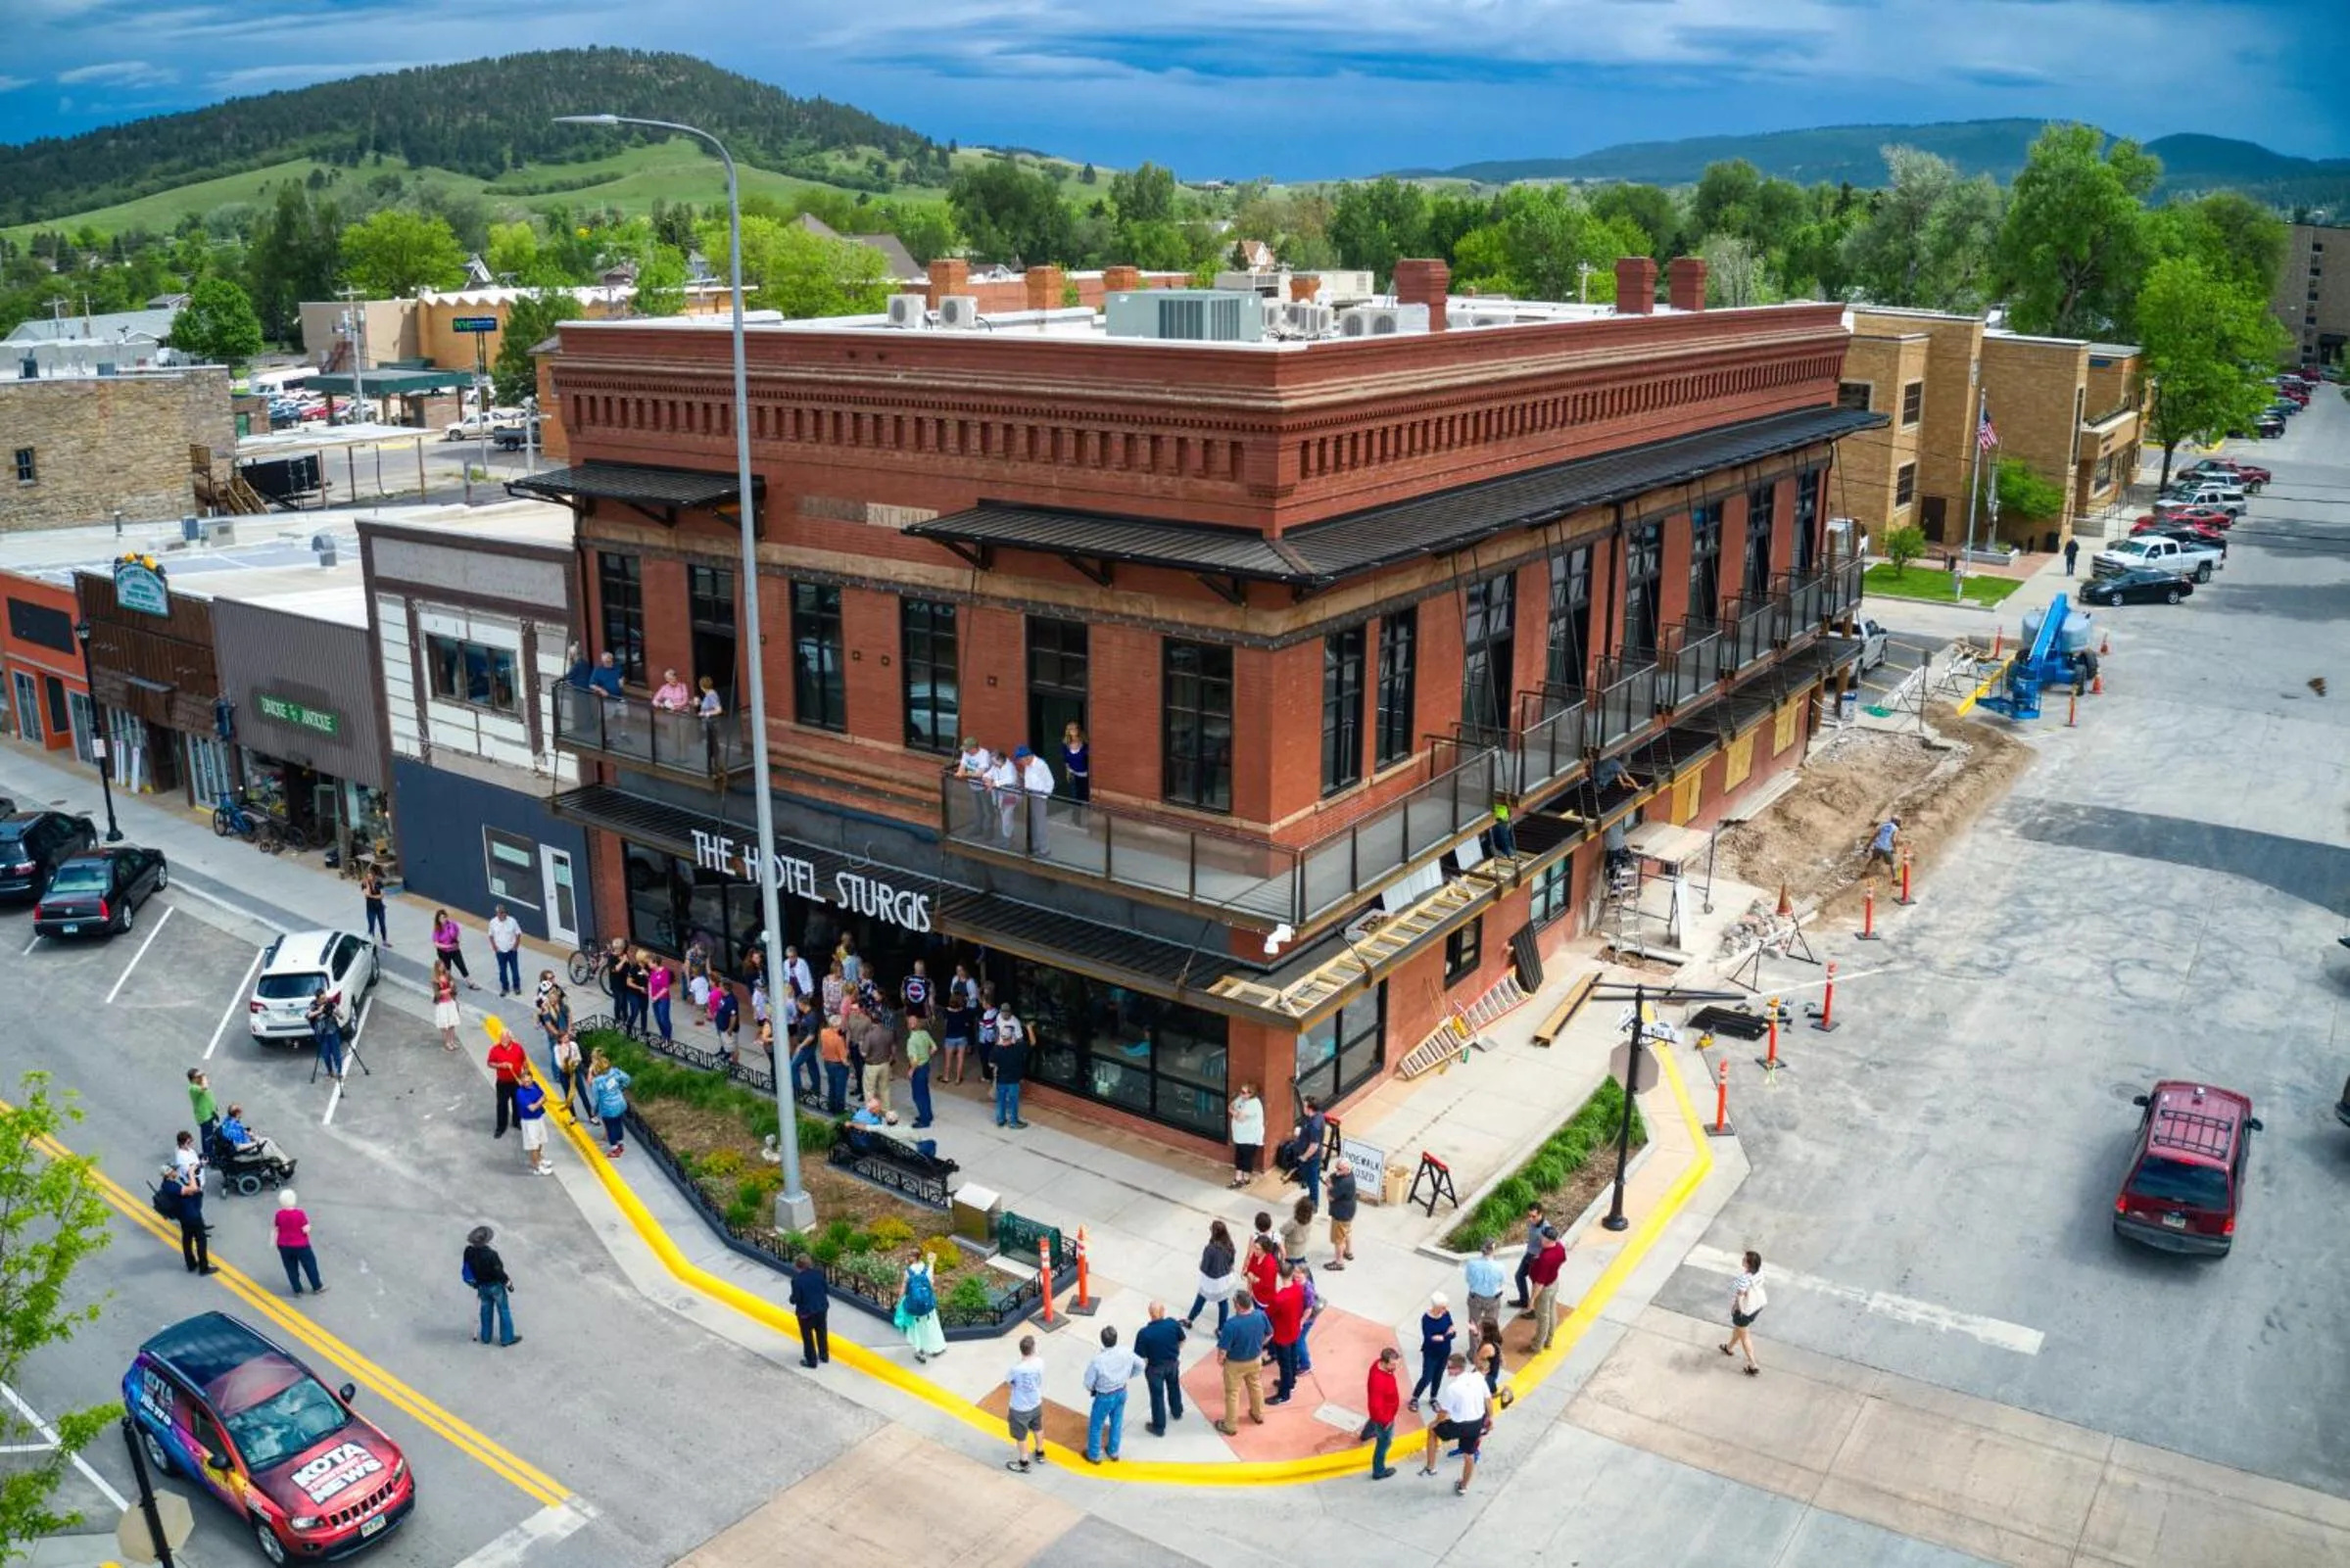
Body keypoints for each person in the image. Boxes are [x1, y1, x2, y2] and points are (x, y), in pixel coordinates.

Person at [1422, 1353, 1493, 1495]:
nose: (1447, 1370)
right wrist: (1490, 1419)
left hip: (1458, 1425)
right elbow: (1488, 1400)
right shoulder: (1478, 1378)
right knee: (1469, 1454)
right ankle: (1463, 1486)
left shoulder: (1453, 1388)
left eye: (1449, 1368)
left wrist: (1435, 1423)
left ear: (1457, 1369)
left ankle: (1431, 1467)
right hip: (1476, 1424)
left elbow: (1443, 1412)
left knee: (1431, 1431)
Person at [1081, 1324, 1143, 1462]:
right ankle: (1113, 1451)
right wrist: (1129, 1375)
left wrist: (1094, 1388)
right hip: (1121, 1392)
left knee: (1096, 1425)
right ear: (1116, 1338)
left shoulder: (1098, 1361)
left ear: (1102, 1340)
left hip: (1104, 1397)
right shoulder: (1126, 1352)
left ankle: (1093, 1454)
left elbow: (1088, 1383)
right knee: (1117, 1422)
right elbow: (1141, 1365)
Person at [1214, 1289, 1269, 1435]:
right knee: (1256, 1386)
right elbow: (1270, 1334)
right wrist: (1259, 1345)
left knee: (1232, 1393)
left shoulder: (1231, 1325)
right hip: (1255, 1359)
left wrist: (1220, 1360)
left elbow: (1223, 1350)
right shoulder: (1260, 1315)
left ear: (1238, 1305)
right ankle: (1258, 1414)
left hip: (1235, 1364)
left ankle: (1230, 1425)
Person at [1135, 1303, 1185, 1436]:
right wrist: (1174, 1353)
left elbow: (1141, 1356)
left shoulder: (1144, 1333)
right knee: (1174, 1387)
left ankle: (1159, 1427)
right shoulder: (1172, 1324)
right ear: (1163, 1311)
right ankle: (1177, 1411)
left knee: (1157, 1397)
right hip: (1172, 1364)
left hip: (1155, 1369)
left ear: (1150, 1313)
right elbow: (1182, 1340)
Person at [464, 1225, 519, 1347]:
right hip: (495, 1287)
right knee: (503, 1311)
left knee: (485, 1311)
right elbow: (499, 1272)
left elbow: (468, 1269)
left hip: (481, 1286)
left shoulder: (468, 1252)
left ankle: (486, 1337)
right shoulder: (491, 1254)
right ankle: (507, 1338)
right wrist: (508, 1283)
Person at [1264, 1263, 1307, 1405]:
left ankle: (1284, 1394)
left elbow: (1268, 1313)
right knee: (1292, 1358)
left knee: (1284, 1364)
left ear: (1279, 1275)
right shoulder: (1298, 1288)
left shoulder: (1280, 1297)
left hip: (1282, 1334)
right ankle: (1290, 1382)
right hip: (1294, 1329)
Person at [1003, 1335, 1047, 1472]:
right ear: (1033, 1349)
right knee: (1038, 1427)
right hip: (1035, 1403)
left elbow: (1008, 1381)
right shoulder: (1040, 1362)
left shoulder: (1016, 1369)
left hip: (1019, 1407)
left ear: (1021, 1350)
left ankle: (1024, 1462)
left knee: (1021, 1436)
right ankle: (1040, 1452)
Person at [1722, 1249, 1767, 1375]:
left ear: (1748, 1264)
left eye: (1744, 1259)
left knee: (1745, 1336)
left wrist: (1736, 1308)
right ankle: (1728, 1347)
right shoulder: (1760, 1272)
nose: (1742, 1260)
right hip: (1756, 1307)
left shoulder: (1744, 1278)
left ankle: (1753, 1365)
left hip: (1744, 1312)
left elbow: (1740, 1296)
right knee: (1739, 1330)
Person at [1186, 1219, 1236, 1330]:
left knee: (1200, 1299)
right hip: (1225, 1279)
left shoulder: (1210, 1249)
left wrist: (1200, 1264)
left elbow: (1204, 1268)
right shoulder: (1229, 1244)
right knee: (1223, 1302)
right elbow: (1231, 1261)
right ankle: (1221, 1329)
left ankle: (1189, 1320)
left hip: (1211, 1281)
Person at [1411, 1292, 1457, 1412]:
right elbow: (1429, 1339)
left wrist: (1443, 1337)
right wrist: (1447, 1334)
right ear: (1435, 1307)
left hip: (1444, 1352)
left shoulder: (1446, 1314)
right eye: (1443, 1307)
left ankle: (1433, 1398)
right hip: (1431, 1353)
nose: (1446, 1309)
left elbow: (1453, 1333)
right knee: (1427, 1377)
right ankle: (1415, 1397)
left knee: (1438, 1376)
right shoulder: (1426, 1319)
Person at [896, 1255, 946, 1364]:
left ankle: (920, 1352)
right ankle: (935, 1348)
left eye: (909, 1256)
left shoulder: (908, 1272)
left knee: (917, 1329)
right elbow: (931, 1285)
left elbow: (904, 1289)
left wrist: (899, 1300)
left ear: (913, 1258)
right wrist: (932, 1263)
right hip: (927, 1306)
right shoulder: (927, 1269)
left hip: (914, 1307)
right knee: (930, 1325)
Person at [1526, 1224, 1567, 1354]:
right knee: (1552, 1312)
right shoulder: (1559, 1247)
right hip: (1554, 1283)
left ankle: (1537, 1345)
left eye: (1542, 1237)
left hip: (1543, 1290)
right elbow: (1562, 1259)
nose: (1540, 1238)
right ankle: (1549, 1340)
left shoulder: (1546, 1259)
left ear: (1548, 1240)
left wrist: (1532, 1299)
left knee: (1543, 1318)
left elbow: (1539, 1283)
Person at [274, 1189, 323, 1295]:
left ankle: (297, 1290)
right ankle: (317, 1286)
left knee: (291, 1268)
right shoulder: (299, 1214)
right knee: (310, 1265)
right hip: (301, 1245)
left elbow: (277, 1228)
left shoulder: (279, 1214)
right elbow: (305, 1229)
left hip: (284, 1245)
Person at [1366, 1347, 1404, 1479]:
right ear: (1384, 1362)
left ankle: (1366, 1434)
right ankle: (1379, 1471)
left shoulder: (1379, 1365)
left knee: (1373, 1421)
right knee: (1384, 1443)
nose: (1394, 1368)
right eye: (1392, 1365)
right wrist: (1386, 1421)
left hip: (1380, 1414)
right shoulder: (1379, 1381)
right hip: (1385, 1417)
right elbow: (1376, 1406)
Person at [172, 1158, 215, 1274]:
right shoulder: (172, 1186)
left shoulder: (169, 1184)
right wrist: (191, 1173)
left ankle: (191, 1264)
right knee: (201, 1240)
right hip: (192, 1215)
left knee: (187, 1240)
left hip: (184, 1215)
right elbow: (194, 1188)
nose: (176, 1172)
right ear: (169, 1174)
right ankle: (204, 1267)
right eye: (174, 1170)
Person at [856, 1004, 897, 1121]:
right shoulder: (889, 1032)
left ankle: (872, 1112)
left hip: (872, 1066)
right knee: (885, 1089)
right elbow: (893, 1048)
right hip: (885, 1064)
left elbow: (864, 1054)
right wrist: (892, 1058)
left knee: (869, 1090)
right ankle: (885, 1110)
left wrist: (860, 1044)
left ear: (871, 1020)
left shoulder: (869, 1035)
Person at [486, 1023, 528, 1139]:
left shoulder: (518, 1048)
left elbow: (524, 1061)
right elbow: (489, 1063)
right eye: (501, 1037)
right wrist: (501, 1065)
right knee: (501, 1105)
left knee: (517, 1103)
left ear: (510, 1038)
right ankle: (501, 1127)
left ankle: (516, 1122)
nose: (503, 1040)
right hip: (503, 1083)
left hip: (516, 1081)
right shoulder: (495, 1049)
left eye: (505, 1037)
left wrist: (525, 1075)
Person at [790, 1252, 831, 1368]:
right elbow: (826, 1290)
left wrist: (791, 1299)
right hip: (821, 1308)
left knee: (807, 1337)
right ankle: (824, 1355)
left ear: (797, 1266)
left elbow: (796, 1298)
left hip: (806, 1313)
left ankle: (811, 1360)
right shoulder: (818, 1274)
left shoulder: (797, 1280)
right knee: (822, 1332)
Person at [589, 1050, 631, 1158]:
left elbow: (597, 1099)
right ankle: (620, 1144)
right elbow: (627, 1079)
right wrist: (620, 1088)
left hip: (608, 1108)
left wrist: (595, 1111)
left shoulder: (597, 1082)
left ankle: (615, 1149)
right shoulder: (614, 1072)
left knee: (610, 1127)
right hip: (620, 1104)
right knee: (618, 1123)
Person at [992, 1006, 1029, 1128]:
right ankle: (1013, 1122)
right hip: (1013, 1080)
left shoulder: (997, 1050)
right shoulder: (1017, 1049)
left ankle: (1000, 1120)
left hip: (1001, 1080)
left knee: (1001, 1101)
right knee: (1013, 1102)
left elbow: (991, 1063)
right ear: (1011, 1036)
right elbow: (1032, 1043)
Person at [941, 965, 978, 1085]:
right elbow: (967, 1023)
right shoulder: (964, 1011)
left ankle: (946, 1077)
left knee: (948, 1059)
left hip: (950, 1037)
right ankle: (958, 1079)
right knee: (960, 1058)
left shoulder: (946, 1011)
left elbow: (945, 1023)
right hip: (962, 1037)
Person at [1290, 1095, 1328, 1209]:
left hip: (1311, 1158)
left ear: (1310, 1108)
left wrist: (1304, 1157)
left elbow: (1314, 1145)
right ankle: (1310, 1195)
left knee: (1313, 1182)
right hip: (1307, 1154)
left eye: (1304, 1105)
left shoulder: (1314, 1125)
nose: (1303, 1107)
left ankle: (1314, 1205)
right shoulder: (1317, 1115)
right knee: (1310, 1178)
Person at [1017, 745, 1056, 851]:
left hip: (1039, 798)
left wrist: (1043, 797)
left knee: (1040, 823)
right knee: (1032, 822)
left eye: (1021, 761)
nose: (1021, 763)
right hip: (1029, 796)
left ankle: (1044, 849)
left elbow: (1050, 782)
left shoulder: (1041, 765)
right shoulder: (1028, 764)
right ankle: (1034, 845)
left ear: (1027, 757)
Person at [218, 1105, 286, 1164]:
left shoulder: (228, 1121)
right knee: (268, 1142)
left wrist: (246, 1133)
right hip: (246, 1149)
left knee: (267, 1140)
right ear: (237, 1114)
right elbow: (238, 1146)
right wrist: (255, 1143)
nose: (241, 1115)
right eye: (240, 1113)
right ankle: (285, 1162)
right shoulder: (233, 1128)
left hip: (245, 1142)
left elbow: (238, 1131)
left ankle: (282, 1160)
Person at [1227, 1082, 1265, 1188]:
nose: (1241, 1094)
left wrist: (1234, 1113)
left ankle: (1246, 1179)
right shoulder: (1241, 1098)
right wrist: (1236, 1112)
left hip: (1250, 1138)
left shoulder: (1253, 1103)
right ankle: (1238, 1178)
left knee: (1247, 1159)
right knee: (1238, 1157)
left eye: (1244, 1092)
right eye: (1241, 1091)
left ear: (1251, 1093)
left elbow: (1240, 1118)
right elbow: (1230, 1106)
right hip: (1239, 1136)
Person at [1511, 1206, 1548, 1309]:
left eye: (1533, 1216)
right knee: (1519, 1276)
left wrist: (1540, 1256)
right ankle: (1524, 1300)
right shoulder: (1533, 1223)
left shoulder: (1546, 1228)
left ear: (1540, 1214)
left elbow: (1551, 1246)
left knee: (1535, 1285)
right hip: (1529, 1254)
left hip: (1537, 1259)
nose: (1531, 1219)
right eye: (1529, 1216)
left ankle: (1535, 1309)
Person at [905, 1014, 936, 1129]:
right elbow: (934, 1048)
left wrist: (911, 1071)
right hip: (926, 1065)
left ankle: (924, 1120)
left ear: (909, 1025)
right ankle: (928, 1115)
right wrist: (926, 1056)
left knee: (918, 1095)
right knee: (925, 1092)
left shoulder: (911, 1040)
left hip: (918, 1069)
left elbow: (914, 1060)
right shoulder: (925, 1033)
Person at [515, 1074, 552, 1175]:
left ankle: (539, 1159)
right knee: (534, 1145)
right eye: (525, 1082)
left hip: (539, 1118)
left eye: (529, 1081)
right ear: (521, 1081)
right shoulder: (520, 1093)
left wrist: (539, 1102)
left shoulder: (535, 1084)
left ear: (532, 1080)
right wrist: (540, 1101)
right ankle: (537, 1167)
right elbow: (532, 1108)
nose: (527, 1084)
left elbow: (544, 1096)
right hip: (529, 1122)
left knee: (540, 1140)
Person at [432, 911, 477, 989]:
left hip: (455, 950)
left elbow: (458, 933)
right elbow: (436, 944)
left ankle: (470, 983)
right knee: (447, 969)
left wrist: (459, 941)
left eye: (444, 917)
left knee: (461, 965)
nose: (443, 919)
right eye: (441, 918)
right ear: (438, 919)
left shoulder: (452, 924)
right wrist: (447, 946)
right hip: (443, 952)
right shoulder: (437, 929)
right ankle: (446, 984)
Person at [1326, 1158, 1358, 1269]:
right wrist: (1331, 1179)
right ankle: (1348, 1252)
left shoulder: (1345, 1183)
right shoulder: (1348, 1174)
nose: (1337, 1171)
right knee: (1346, 1232)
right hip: (1348, 1211)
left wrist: (1329, 1186)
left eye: (1339, 1169)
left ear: (1347, 1169)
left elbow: (1330, 1197)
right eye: (1336, 1168)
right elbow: (1333, 1176)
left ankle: (1339, 1262)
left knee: (1338, 1239)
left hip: (1341, 1214)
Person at [818, 1014, 851, 1116]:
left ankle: (831, 1106)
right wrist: (848, 1064)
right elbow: (843, 1058)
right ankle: (839, 1111)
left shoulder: (823, 1032)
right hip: (838, 1065)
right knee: (840, 1089)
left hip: (827, 1063)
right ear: (838, 1025)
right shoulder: (838, 1039)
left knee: (832, 1086)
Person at [487, 903, 523, 997]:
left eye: (504, 912)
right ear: (497, 913)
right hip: (500, 951)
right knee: (502, 971)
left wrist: (515, 946)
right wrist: (494, 947)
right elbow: (490, 935)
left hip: (511, 950)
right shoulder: (492, 922)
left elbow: (518, 933)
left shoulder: (512, 921)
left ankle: (516, 987)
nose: (503, 914)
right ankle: (505, 988)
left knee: (515, 970)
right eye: (501, 913)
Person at [552, 1030, 588, 1120]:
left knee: (583, 1093)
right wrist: (563, 1053)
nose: (566, 1039)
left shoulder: (573, 1045)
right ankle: (573, 1115)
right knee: (568, 1096)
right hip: (564, 1073)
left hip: (575, 1071)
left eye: (567, 1037)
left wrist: (574, 1063)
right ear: (560, 1039)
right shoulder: (557, 1048)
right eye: (564, 1038)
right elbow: (558, 1062)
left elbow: (579, 1057)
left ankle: (591, 1115)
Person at [431, 959, 461, 1052]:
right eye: (440, 966)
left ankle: (452, 1041)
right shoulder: (435, 980)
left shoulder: (447, 974)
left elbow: (454, 986)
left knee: (452, 1023)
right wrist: (446, 990)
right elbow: (436, 993)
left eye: (443, 965)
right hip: (442, 1004)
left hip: (450, 1002)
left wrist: (452, 985)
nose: (442, 967)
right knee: (444, 1025)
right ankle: (447, 1042)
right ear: (437, 968)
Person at [187, 1068, 219, 1148]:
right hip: (204, 1116)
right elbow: (205, 1087)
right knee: (207, 1137)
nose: (200, 1078)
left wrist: (214, 1107)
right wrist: (204, 1076)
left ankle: (210, 1151)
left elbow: (207, 1097)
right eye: (198, 1077)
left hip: (209, 1114)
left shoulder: (198, 1086)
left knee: (210, 1135)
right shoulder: (193, 1088)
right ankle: (208, 1153)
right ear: (193, 1079)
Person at [1279, 1196, 1315, 1271]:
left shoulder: (1293, 1222)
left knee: (1289, 1271)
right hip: (1301, 1251)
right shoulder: (1309, 1220)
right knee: (1301, 1271)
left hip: (1290, 1252)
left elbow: (1282, 1230)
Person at [1060, 722, 1090, 804]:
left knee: (1085, 795)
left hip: (1084, 774)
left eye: (1076, 728)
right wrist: (1067, 772)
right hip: (1072, 773)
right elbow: (1065, 760)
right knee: (1075, 796)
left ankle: (1085, 809)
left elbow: (1089, 756)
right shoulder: (1065, 744)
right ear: (1068, 731)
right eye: (1072, 729)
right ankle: (1076, 811)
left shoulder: (1084, 742)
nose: (1074, 730)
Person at [712, 982, 742, 1065]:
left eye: (720, 986)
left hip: (728, 1029)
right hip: (722, 1027)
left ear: (724, 988)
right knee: (729, 1047)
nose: (719, 988)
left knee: (733, 1048)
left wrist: (730, 1029)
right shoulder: (724, 997)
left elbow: (733, 1016)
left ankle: (735, 1064)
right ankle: (731, 1060)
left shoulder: (731, 1001)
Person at [647, 955, 674, 1044]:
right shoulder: (653, 971)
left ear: (655, 963)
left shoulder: (665, 972)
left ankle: (668, 1038)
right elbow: (650, 982)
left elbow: (665, 988)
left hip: (663, 999)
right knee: (658, 1018)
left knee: (664, 1019)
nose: (648, 964)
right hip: (655, 999)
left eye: (650, 962)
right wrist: (650, 993)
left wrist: (656, 997)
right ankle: (663, 1036)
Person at [360, 865, 390, 945]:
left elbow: (381, 895)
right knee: (371, 926)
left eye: (371, 876)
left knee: (382, 924)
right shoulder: (364, 884)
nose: (369, 878)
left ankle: (385, 941)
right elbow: (367, 894)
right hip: (370, 908)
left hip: (379, 907)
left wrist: (372, 896)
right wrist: (367, 884)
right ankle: (371, 941)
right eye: (368, 877)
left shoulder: (379, 883)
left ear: (374, 876)